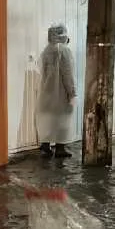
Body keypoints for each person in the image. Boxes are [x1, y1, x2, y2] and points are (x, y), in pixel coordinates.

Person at [36, 24, 76, 158]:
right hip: (61, 93)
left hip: (46, 92)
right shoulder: (64, 51)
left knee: (47, 119)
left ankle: (45, 146)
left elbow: (41, 71)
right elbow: (68, 73)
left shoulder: (46, 51)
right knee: (62, 120)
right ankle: (60, 148)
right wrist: (72, 92)